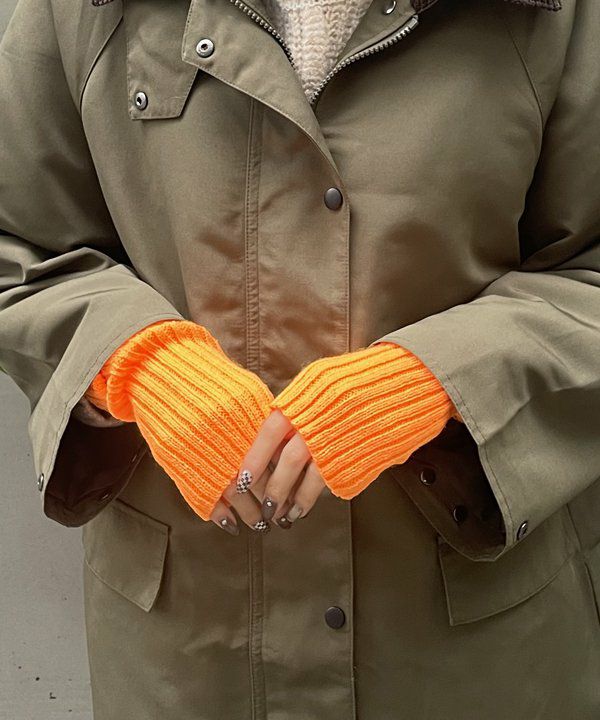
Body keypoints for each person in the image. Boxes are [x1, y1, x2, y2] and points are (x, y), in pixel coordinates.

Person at [1, 0, 599, 716]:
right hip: (189, 658)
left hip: (470, 654)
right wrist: (136, 363)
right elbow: (18, 241)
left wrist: (444, 380)